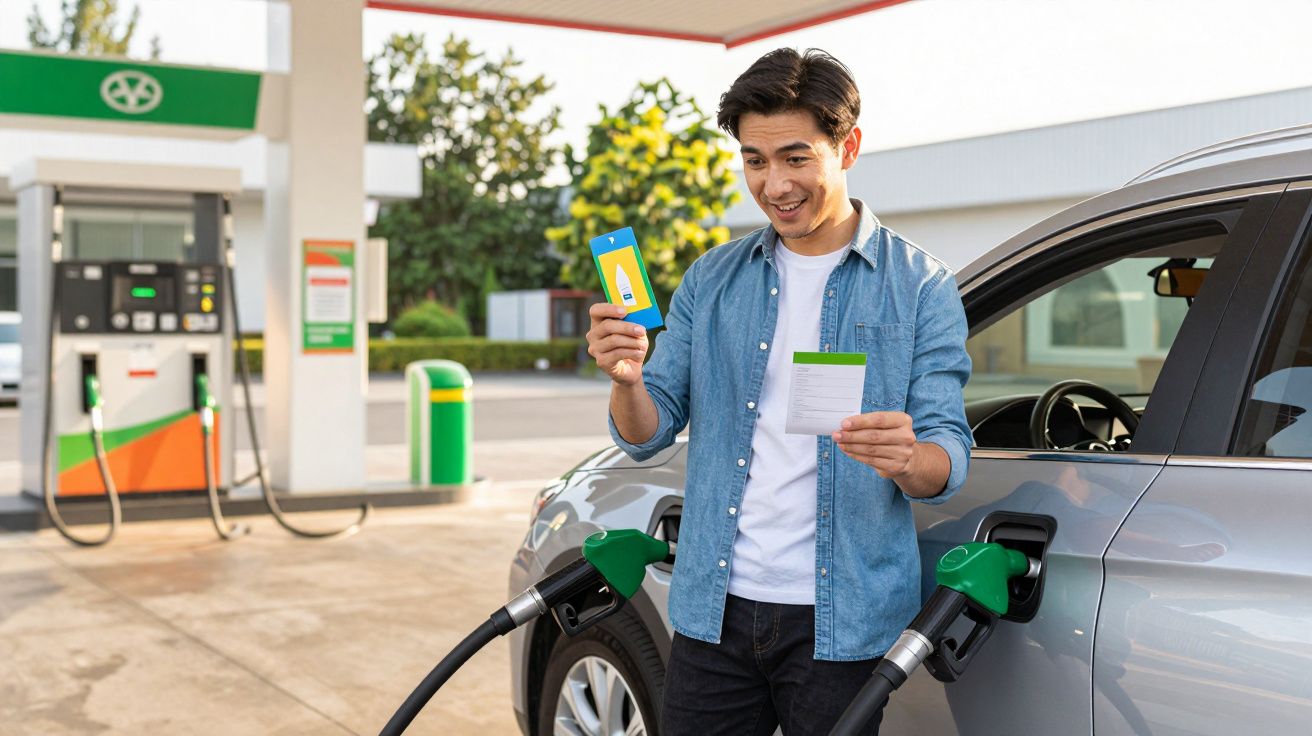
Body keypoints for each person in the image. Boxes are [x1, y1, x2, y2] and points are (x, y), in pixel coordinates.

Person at [586, 47, 973, 735]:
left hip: (842, 619)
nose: (775, 185)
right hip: (714, 608)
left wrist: (907, 458)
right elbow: (646, 434)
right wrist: (628, 381)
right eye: (755, 161)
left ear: (847, 146)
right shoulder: (712, 280)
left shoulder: (920, 286)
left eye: (796, 158)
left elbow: (946, 456)